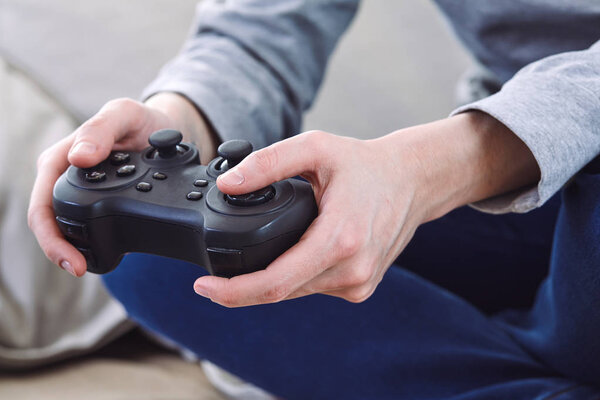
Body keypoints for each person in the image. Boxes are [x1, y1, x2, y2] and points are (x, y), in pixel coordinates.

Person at [28, 1, 600, 399]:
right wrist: (180, 121)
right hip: (508, 184)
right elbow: (259, 32)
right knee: (148, 254)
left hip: (548, 157)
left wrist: (432, 167)